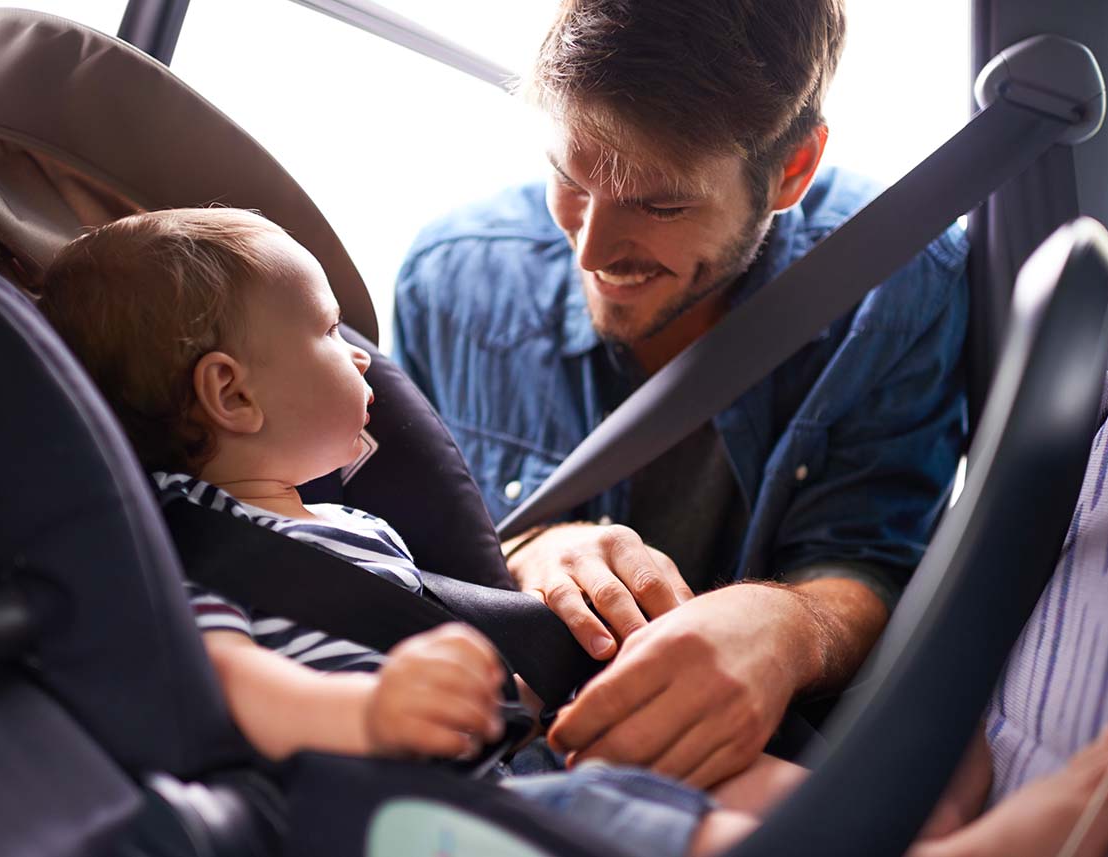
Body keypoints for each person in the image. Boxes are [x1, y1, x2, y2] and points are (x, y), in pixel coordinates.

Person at [38, 207, 1108, 857]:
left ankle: (893, 810)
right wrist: (363, 706)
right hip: (417, 801)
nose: (368, 357)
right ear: (232, 395)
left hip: (515, 747)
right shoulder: (188, 538)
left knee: (710, 774)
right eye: (330, 332)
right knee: (647, 824)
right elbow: (216, 672)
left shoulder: (344, 519)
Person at [393, 0, 967, 786]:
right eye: (569, 176)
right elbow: (385, 538)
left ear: (791, 170)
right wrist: (526, 550)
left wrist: (789, 626)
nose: (592, 247)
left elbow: (870, 555)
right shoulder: (450, 279)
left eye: (660, 203)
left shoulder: (899, 286)